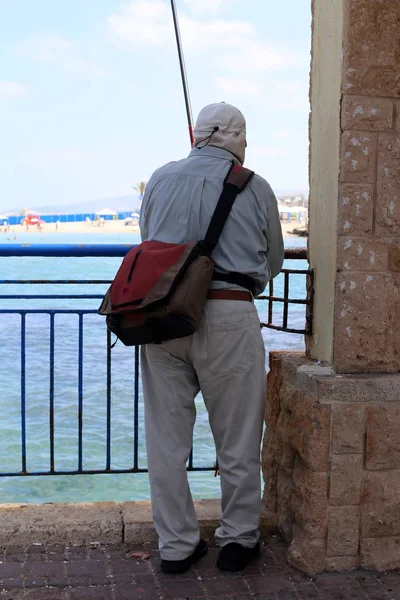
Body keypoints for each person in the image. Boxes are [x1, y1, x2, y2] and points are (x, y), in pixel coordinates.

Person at [139, 102, 284, 574]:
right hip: (229, 315)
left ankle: (176, 547)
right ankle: (238, 542)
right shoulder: (255, 186)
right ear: (238, 139)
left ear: (195, 134)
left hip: (163, 320)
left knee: (165, 441)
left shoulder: (160, 179)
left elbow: (149, 243)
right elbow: (274, 259)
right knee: (238, 438)